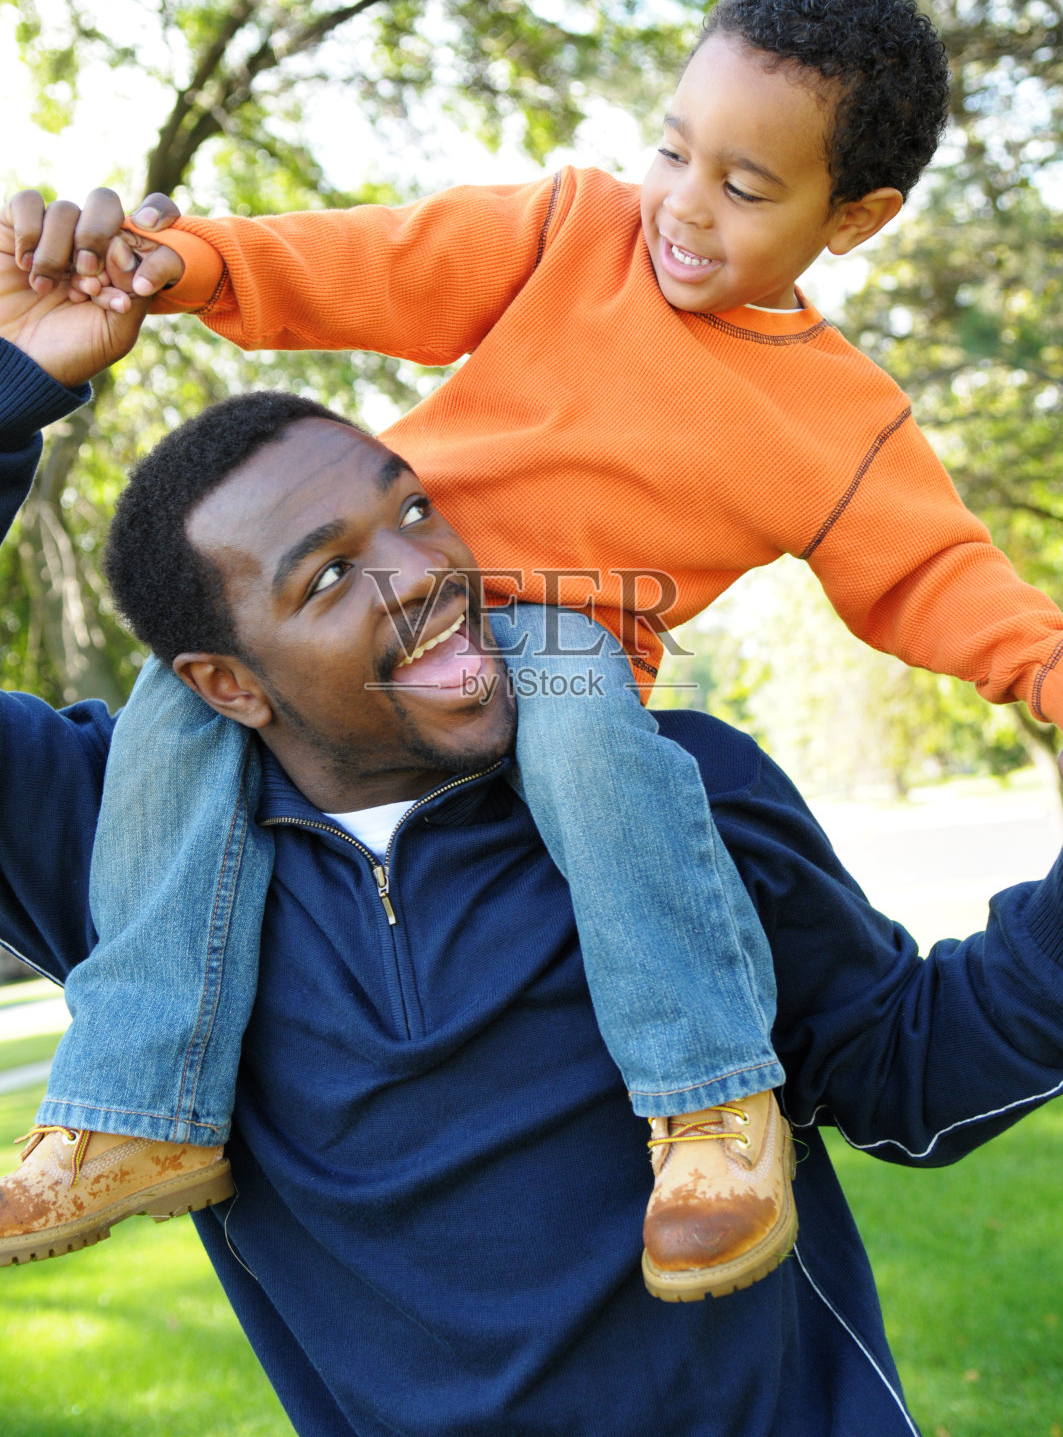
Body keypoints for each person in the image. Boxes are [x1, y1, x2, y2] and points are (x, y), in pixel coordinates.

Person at [7, 0, 1063, 1304]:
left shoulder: (837, 420)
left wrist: (1041, 665)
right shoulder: (574, 230)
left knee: (587, 746)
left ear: (853, 217)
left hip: (560, 638)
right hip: (391, 585)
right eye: (672, 149)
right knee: (182, 694)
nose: (680, 202)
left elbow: (932, 573)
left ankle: (708, 1114)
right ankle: (140, 1100)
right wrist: (203, 262)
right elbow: (377, 260)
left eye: (743, 188)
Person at [2, 301, 1063, 1437]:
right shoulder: (115, 838)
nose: (422, 572)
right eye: (326, 578)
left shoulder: (669, 790)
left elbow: (908, 1074)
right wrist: (15, 381)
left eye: (412, 508)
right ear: (225, 685)